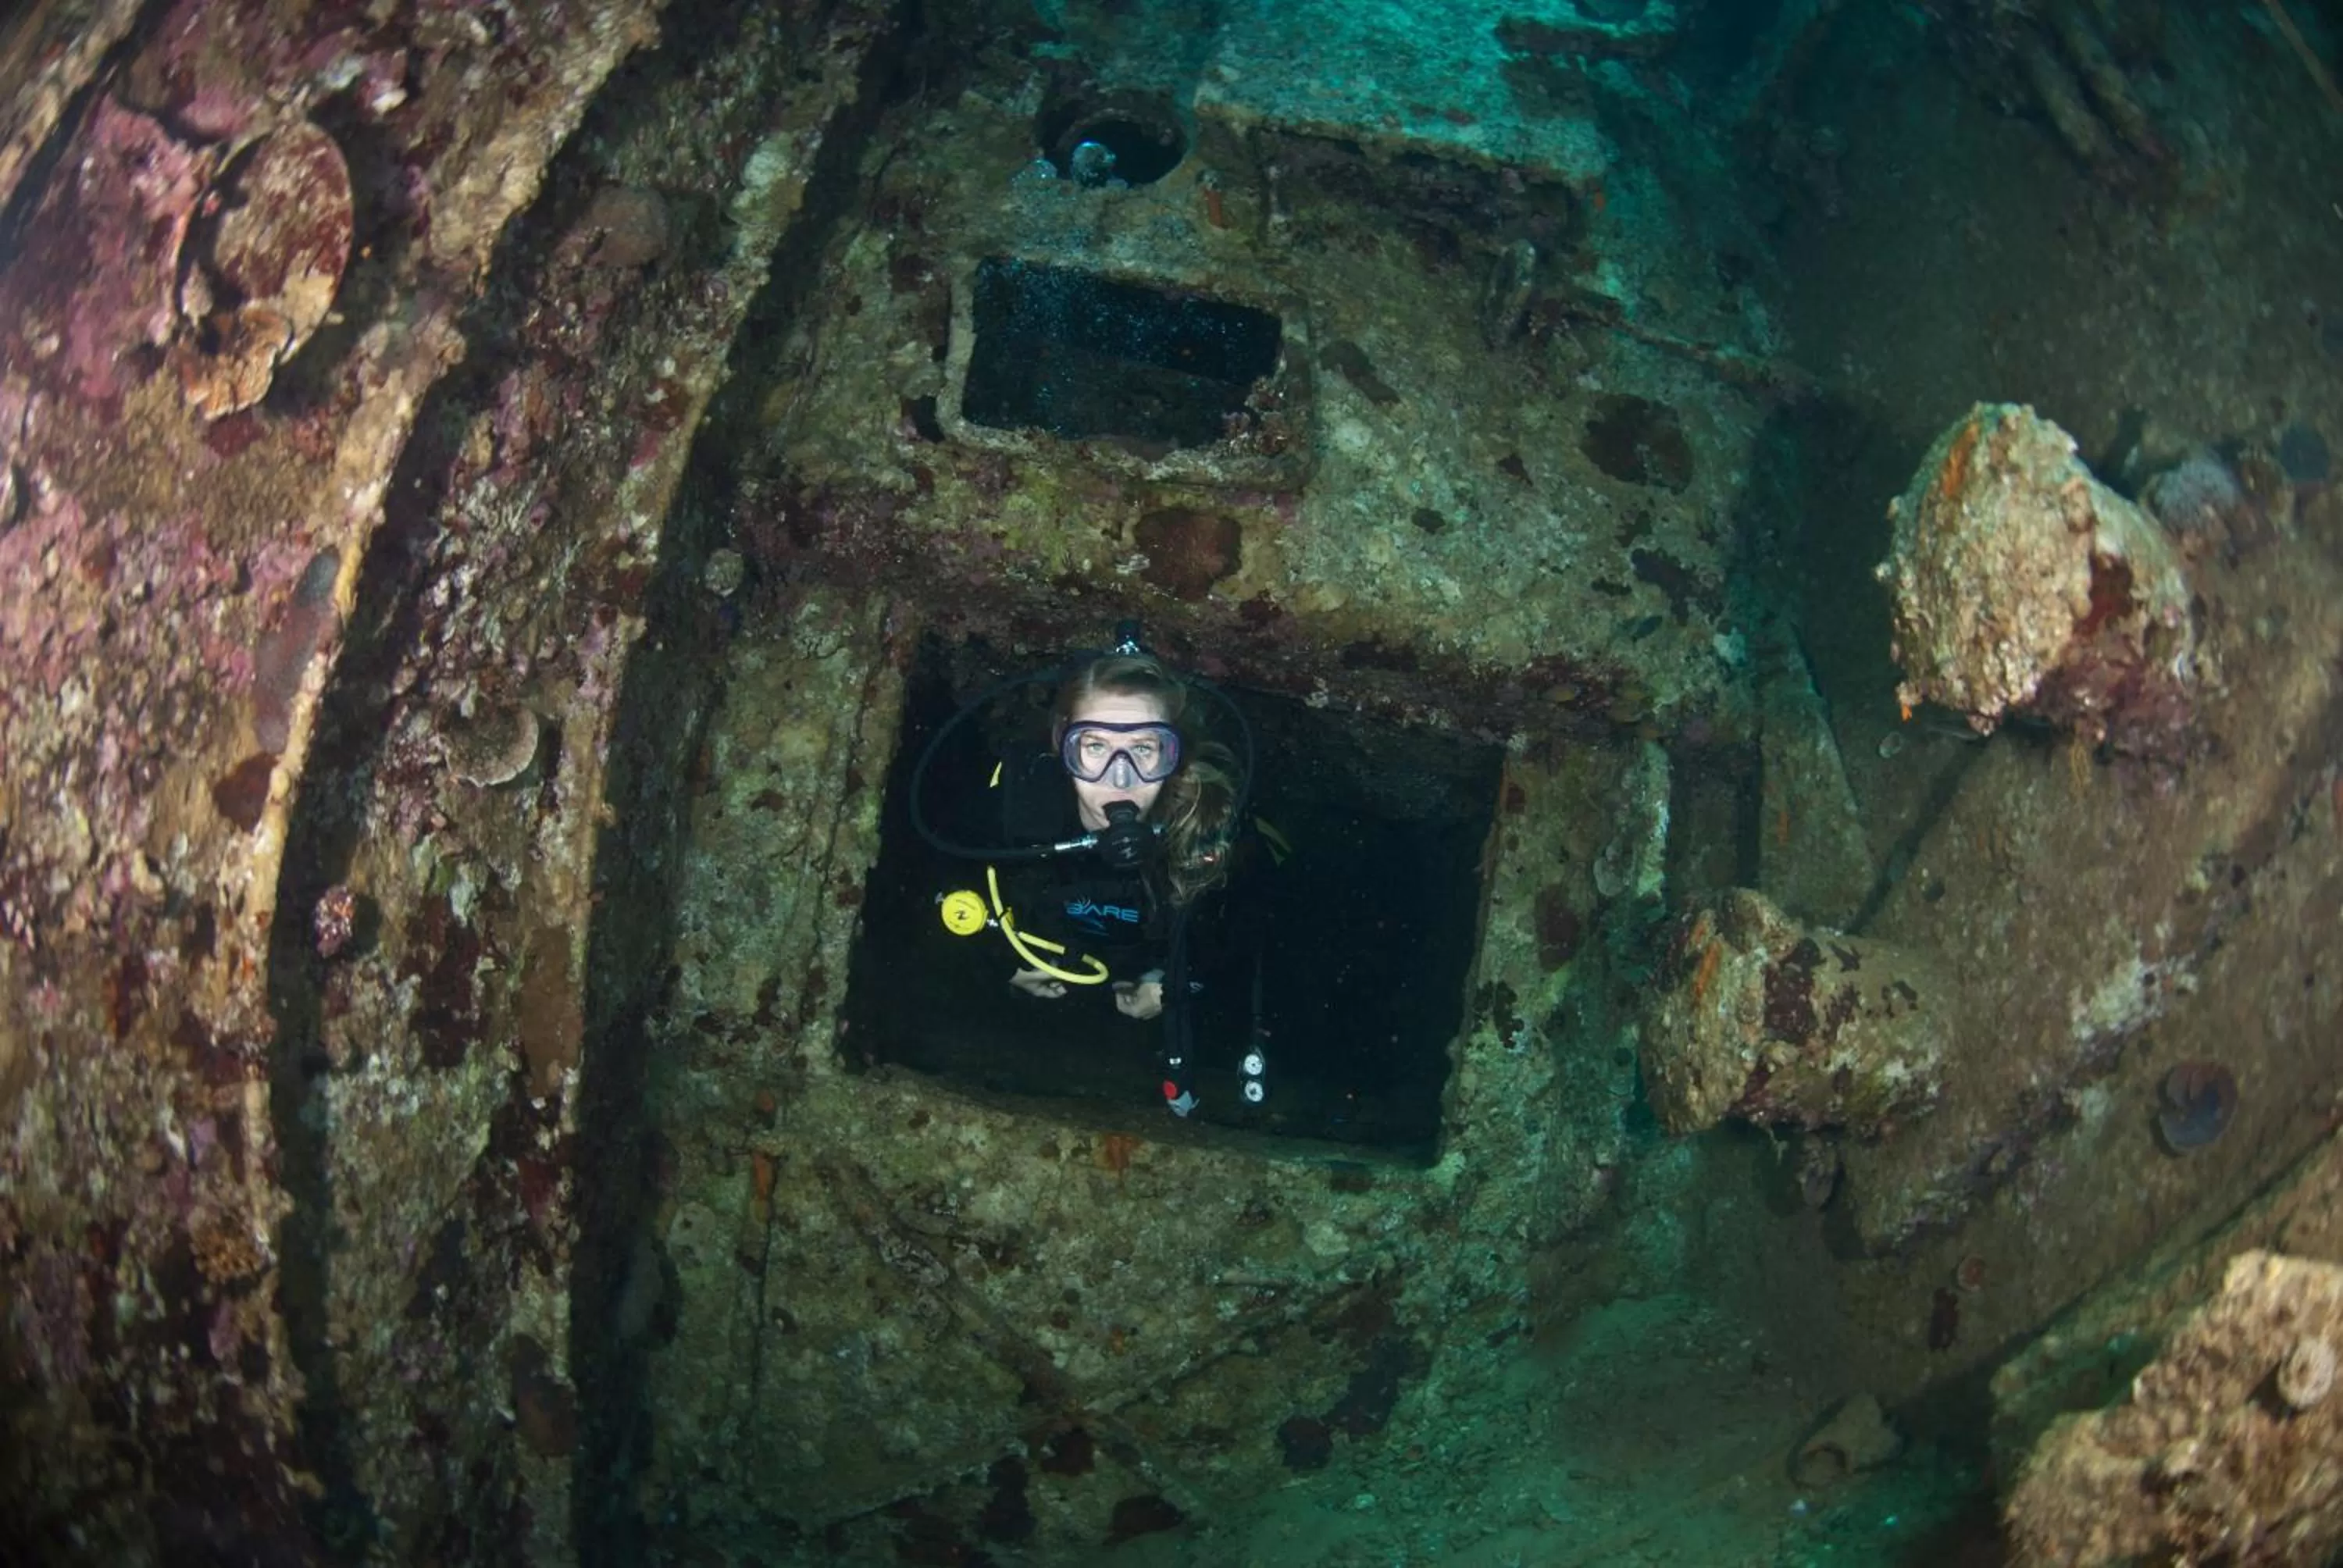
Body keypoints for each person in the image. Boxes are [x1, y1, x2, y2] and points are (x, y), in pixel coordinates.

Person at [989, 653, 1243, 1110]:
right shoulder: (1018, 806)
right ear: (1061, 745)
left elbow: (1239, 943)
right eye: (1095, 747)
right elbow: (936, 901)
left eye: (1145, 749)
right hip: (1043, 1020)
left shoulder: (1204, 830)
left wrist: (1174, 985)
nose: (1119, 778)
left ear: (1174, 755)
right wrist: (1001, 965)